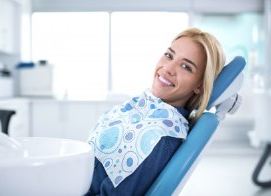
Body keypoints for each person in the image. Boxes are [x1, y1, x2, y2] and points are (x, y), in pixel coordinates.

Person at [86, 27, 225, 195]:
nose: (167, 68)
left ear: (200, 85)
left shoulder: (159, 137)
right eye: (169, 55)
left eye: (186, 66)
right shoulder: (141, 105)